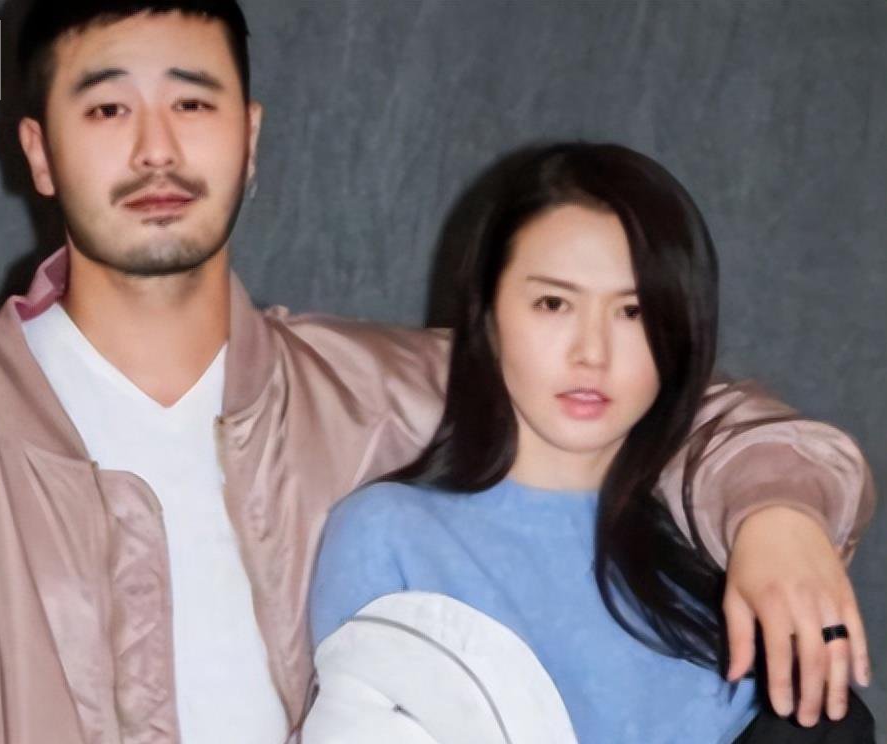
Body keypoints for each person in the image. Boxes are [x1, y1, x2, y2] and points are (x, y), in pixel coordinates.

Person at [0, 3, 874, 742]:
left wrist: (775, 511)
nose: (156, 148)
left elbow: (666, 401)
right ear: (39, 152)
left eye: (192, 101)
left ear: (251, 138)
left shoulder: (387, 396)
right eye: (106, 107)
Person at [307, 143, 877, 743]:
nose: (592, 352)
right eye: (553, 303)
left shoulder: (714, 536)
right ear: (488, 316)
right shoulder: (389, 533)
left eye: (632, 312)